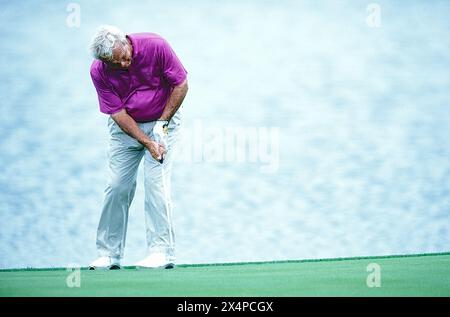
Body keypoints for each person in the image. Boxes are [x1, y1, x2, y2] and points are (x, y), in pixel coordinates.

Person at [88, 25, 188, 269]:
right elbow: (118, 114)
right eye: (114, 64)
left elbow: (181, 85)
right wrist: (146, 142)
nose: (122, 65)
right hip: (126, 130)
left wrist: (161, 126)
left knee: (156, 184)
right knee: (116, 186)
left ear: (126, 42)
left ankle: (161, 252)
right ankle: (109, 254)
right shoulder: (99, 71)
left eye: (123, 58)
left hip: (163, 121)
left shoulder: (156, 45)